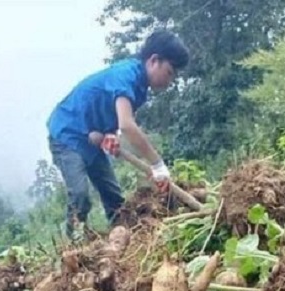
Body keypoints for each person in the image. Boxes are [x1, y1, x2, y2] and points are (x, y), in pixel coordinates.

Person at [47, 30, 189, 238]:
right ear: (154, 60)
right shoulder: (125, 75)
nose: (170, 81)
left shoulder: (140, 88)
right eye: (169, 72)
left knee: (114, 198)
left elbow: (116, 118)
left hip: (91, 137)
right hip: (67, 134)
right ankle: (73, 244)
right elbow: (128, 126)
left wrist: (109, 134)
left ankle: (123, 239)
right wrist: (158, 164)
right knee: (79, 196)